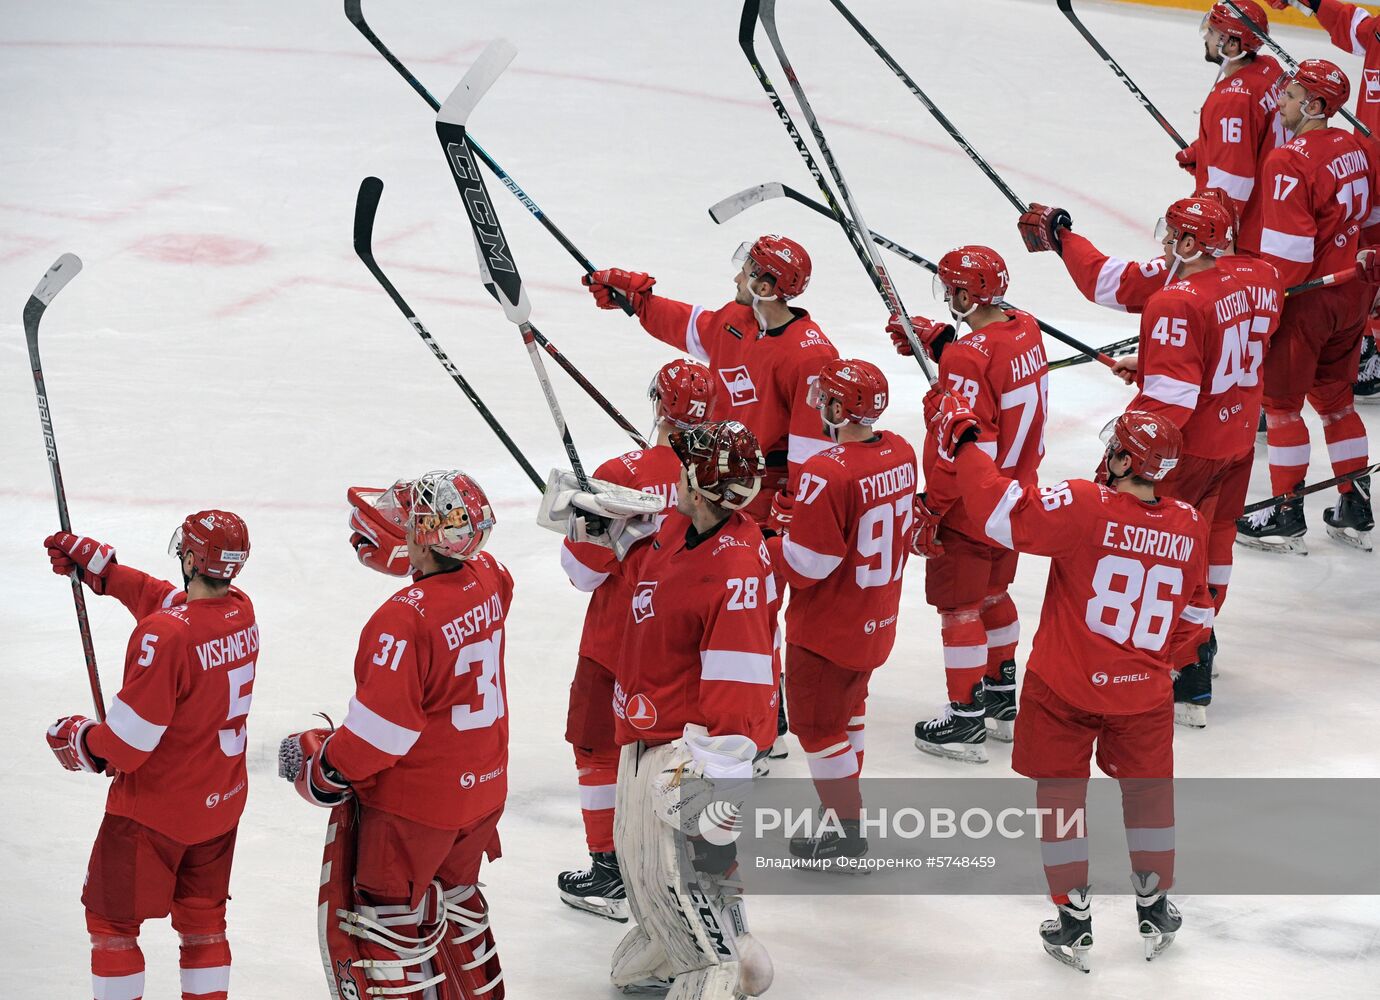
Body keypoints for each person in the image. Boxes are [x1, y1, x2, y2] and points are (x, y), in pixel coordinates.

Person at [930, 398, 1214, 973]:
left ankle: (1074, 918)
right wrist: (1154, 663)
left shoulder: (1086, 505)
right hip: (1143, 696)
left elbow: (999, 510)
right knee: (1150, 797)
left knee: (1061, 798)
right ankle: (1154, 906)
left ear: (1124, 458)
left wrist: (965, 443)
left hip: (1065, 687)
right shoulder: (1188, 523)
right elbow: (1198, 619)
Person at [1017, 193, 1284, 724]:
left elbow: (1173, 403)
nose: (1164, 244)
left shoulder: (1176, 301)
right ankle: (1199, 644)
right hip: (1237, 439)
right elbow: (1115, 283)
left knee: (1159, 547)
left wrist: (1128, 449)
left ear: (1190, 242)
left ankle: (1174, 661)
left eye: (1172, 237)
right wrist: (1160, 361)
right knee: (1216, 537)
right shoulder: (1263, 275)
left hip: (1186, 448)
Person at [557, 420, 776, 999]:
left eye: (684, 470)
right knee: (643, 872)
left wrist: (721, 783)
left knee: (688, 876)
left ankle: (716, 968)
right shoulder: (686, 525)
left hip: (686, 747)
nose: (673, 475)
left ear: (700, 488)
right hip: (642, 729)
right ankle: (670, 944)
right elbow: (652, 568)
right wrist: (611, 532)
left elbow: (742, 684)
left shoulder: (734, 569)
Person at [281, 471, 508, 999]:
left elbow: (379, 737)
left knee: (391, 928)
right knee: (458, 904)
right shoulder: (490, 577)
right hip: (483, 790)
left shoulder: (400, 622)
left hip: (415, 807)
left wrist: (323, 770)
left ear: (424, 533)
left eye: (409, 518)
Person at [43, 512, 255, 1000]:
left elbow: (126, 747)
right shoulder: (241, 611)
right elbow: (173, 604)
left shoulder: (167, 635)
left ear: (189, 557)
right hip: (220, 805)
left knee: (112, 923)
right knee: (203, 926)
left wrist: (80, 739)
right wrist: (106, 573)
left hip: (153, 812)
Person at [556, 359, 713, 922]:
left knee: (598, 749)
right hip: (687, 638)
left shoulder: (618, 471)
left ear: (656, 405)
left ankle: (608, 872)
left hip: (616, 637)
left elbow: (582, 575)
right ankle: (683, 872)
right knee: (681, 749)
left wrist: (592, 517)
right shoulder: (718, 468)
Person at [887, 245, 1048, 762]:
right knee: (995, 593)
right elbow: (991, 371)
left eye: (952, 288)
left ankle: (964, 719)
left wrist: (933, 507)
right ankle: (1001, 701)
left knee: (959, 608)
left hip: (970, 504)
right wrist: (943, 344)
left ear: (964, 292)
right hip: (1016, 495)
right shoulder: (1026, 326)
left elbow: (964, 445)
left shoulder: (966, 357)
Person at [581, 236, 838, 531]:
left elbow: (812, 452)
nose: (737, 277)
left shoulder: (810, 356)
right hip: (709, 483)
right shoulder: (737, 319)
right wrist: (640, 302)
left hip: (758, 497)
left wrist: (789, 514)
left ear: (764, 288)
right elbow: (687, 324)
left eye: (746, 271)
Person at [775, 359, 917, 865]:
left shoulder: (825, 471)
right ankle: (842, 809)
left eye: (826, 399)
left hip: (826, 629)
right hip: (876, 619)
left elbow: (809, 564)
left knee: (818, 729)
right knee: (849, 712)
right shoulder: (901, 451)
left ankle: (845, 827)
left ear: (839, 407)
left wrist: (771, 541)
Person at [1237, 59, 1377, 553]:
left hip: (1308, 302)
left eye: (1292, 94)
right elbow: (1373, 218)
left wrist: (1259, 303)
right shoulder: (1356, 147)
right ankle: (1355, 505)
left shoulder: (1287, 160)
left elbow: (1288, 258)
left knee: (1280, 408)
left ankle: (1285, 511)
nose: (1282, 101)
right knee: (1337, 402)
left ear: (1315, 106)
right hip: (1353, 294)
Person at [1268, 0, 1380, 400]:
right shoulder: (1378, 32)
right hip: (1367, 177)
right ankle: (1369, 351)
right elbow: (1352, 21)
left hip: (1366, 175)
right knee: (1363, 268)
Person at [1178, 0, 1283, 249]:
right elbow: (1255, 134)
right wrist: (1205, 151)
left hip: (1249, 231)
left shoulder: (1232, 100)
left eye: (1213, 32)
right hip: (1273, 211)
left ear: (1233, 45)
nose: (1207, 37)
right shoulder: (1270, 68)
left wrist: (1215, 238)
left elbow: (1234, 183)